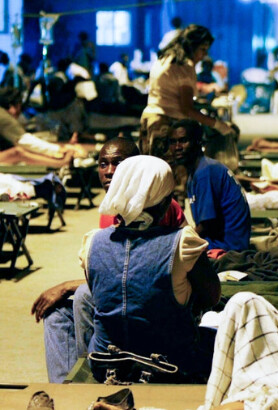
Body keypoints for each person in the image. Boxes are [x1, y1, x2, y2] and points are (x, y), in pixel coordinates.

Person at [31, 138, 185, 383]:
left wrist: (69, 285)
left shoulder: (162, 206)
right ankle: (64, 389)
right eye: (103, 164)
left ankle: (91, 375)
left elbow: (143, 269)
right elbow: (113, 266)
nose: (110, 171)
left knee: (82, 297)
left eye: (118, 164)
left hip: (151, 306)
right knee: (57, 315)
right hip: (121, 296)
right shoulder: (110, 211)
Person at [84, 155, 220, 383]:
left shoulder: (91, 243)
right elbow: (211, 296)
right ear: (165, 202)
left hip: (106, 363)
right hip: (170, 365)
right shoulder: (182, 242)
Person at [140, 24, 234, 162]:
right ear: (192, 46)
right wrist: (218, 125)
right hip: (166, 124)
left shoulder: (165, 59)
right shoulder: (184, 66)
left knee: (152, 172)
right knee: (169, 176)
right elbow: (187, 109)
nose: (204, 55)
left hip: (150, 119)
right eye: (203, 49)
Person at [169, 118, 251, 252]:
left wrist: (176, 243)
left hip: (227, 248)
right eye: (173, 142)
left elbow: (207, 225)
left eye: (183, 141)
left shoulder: (205, 172)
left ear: (198, 142)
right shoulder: (198, 169)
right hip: (220, 243)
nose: (177, 147)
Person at [0, 87, 76, 167]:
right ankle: (61, 164)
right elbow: (24, 141)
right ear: (12, 107)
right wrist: (59, 149)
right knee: (17, 152)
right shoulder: (4, 117)